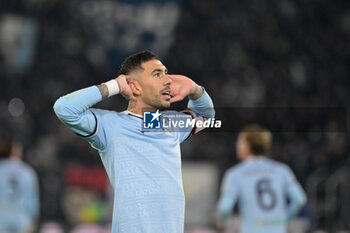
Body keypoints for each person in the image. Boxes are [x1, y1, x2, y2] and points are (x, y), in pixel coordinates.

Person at [53, 51, 215, 233]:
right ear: (134, 87)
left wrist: (195, 90)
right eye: (157, 74)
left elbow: (206, 117)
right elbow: (64, 108)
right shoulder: (110, 126)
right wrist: (114, 86)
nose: (168, 80)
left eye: (166, 73)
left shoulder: (169, 124)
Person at [216, 124, 307, 233]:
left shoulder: (235, 174)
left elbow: (224, 208)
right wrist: (285, 221)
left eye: (240, 142)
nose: (237, 145)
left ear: (247, 145)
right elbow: (299, 199)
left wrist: (222, 226)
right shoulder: (282, 170)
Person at [0, 139, 40, 233]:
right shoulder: (27, 171)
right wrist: (33, 219)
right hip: (21, 213)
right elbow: (32, 198)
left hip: (2, 212)